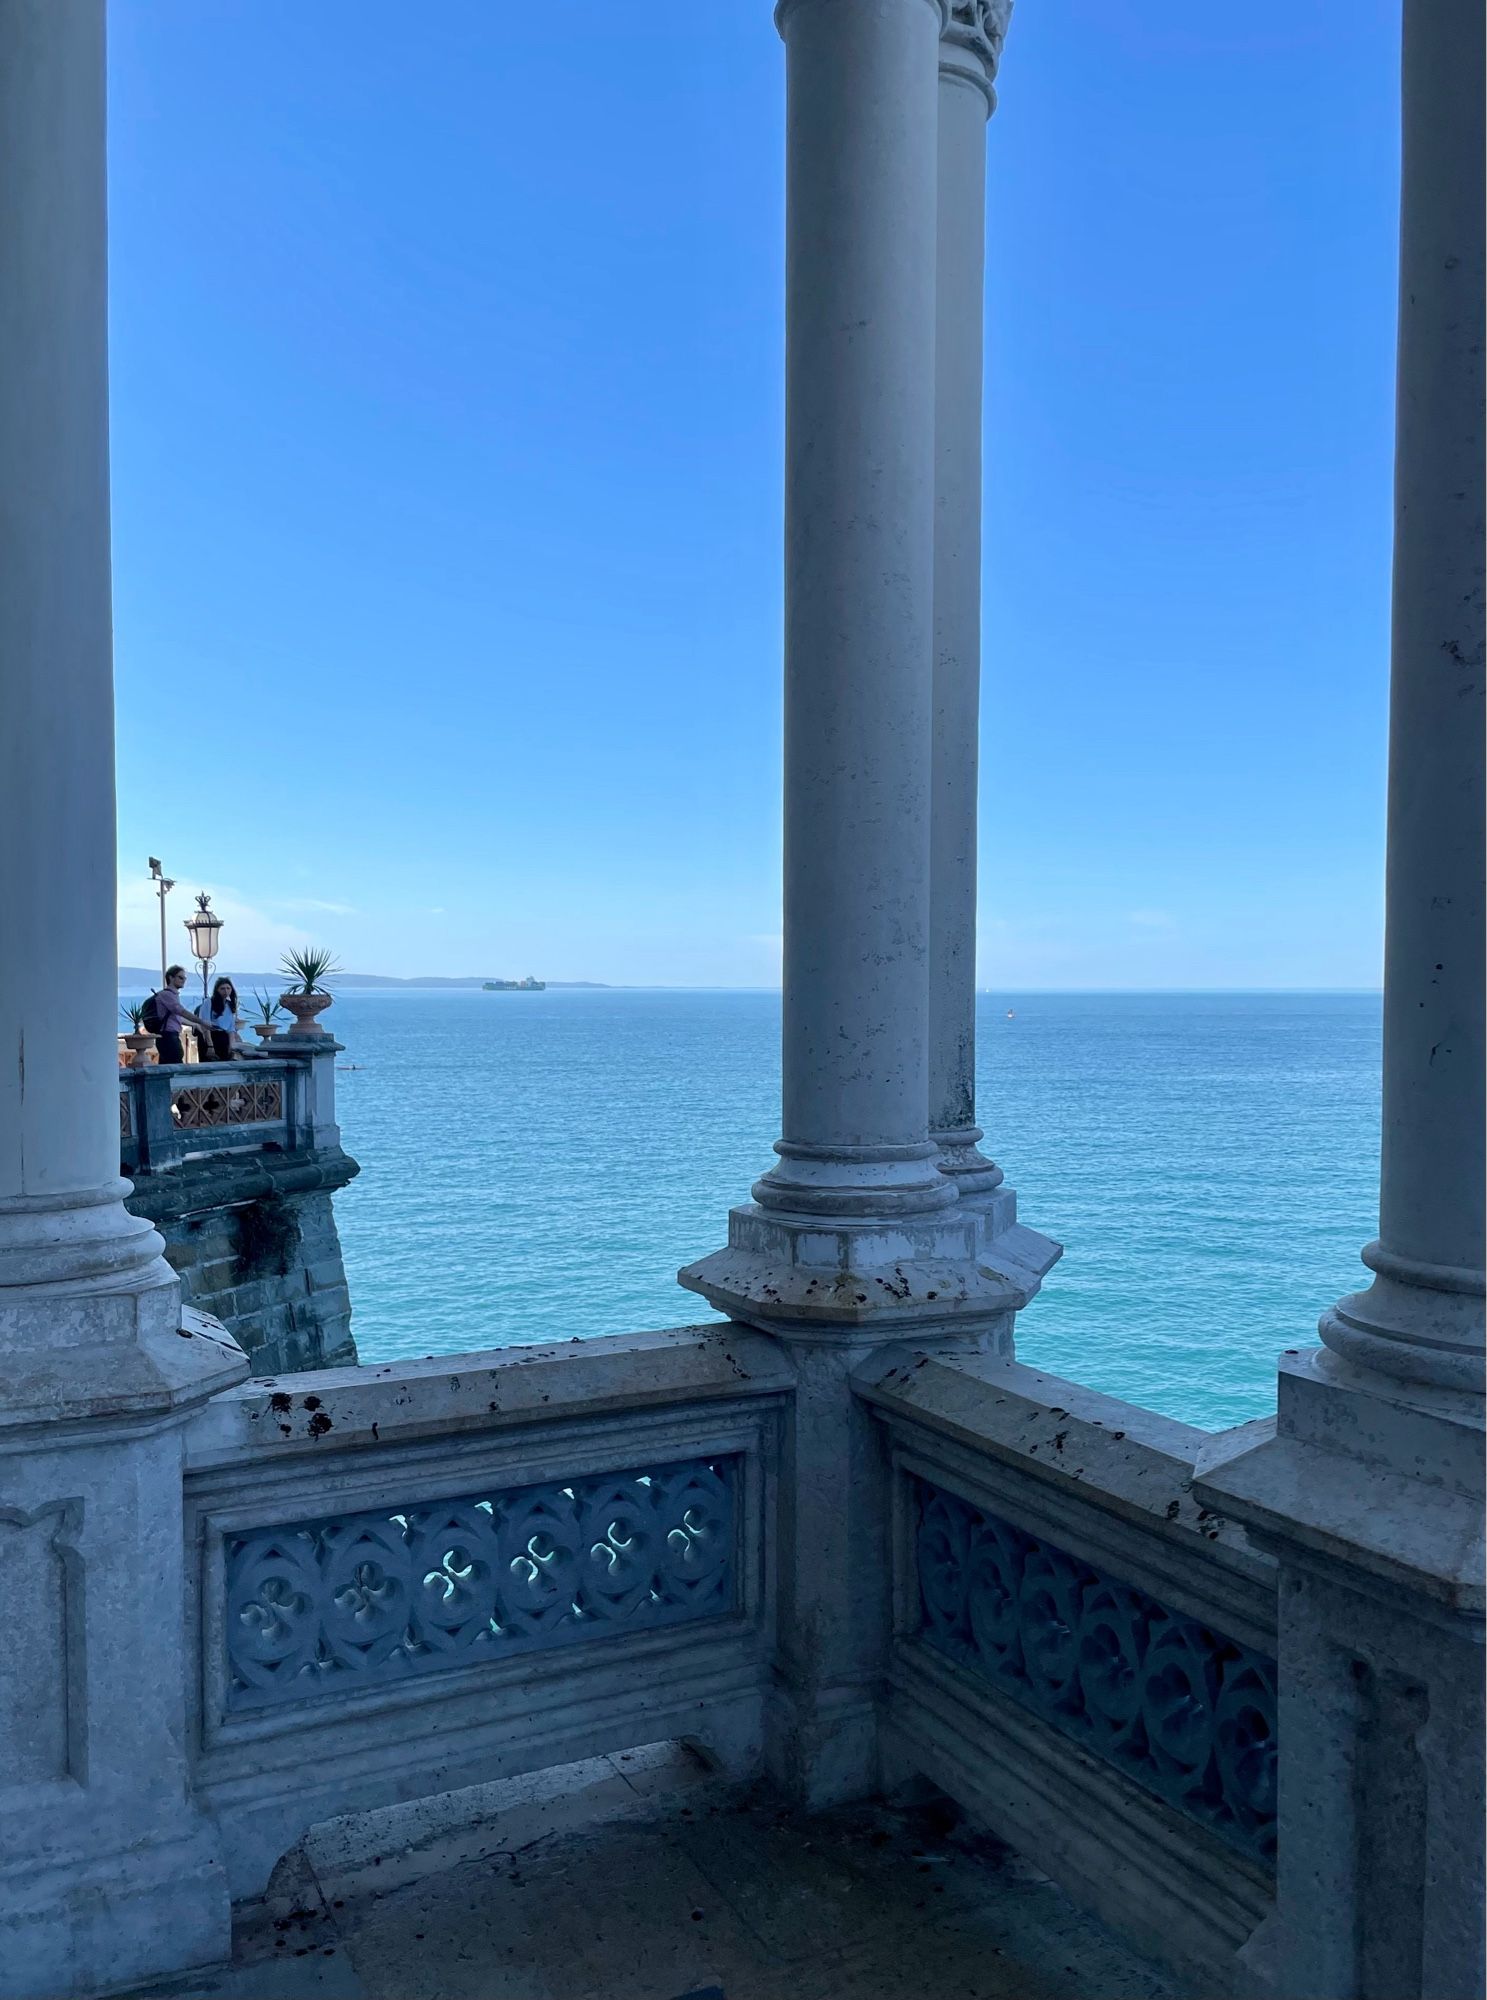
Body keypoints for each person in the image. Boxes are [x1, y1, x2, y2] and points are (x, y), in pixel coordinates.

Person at [145, 964, 202, 1064]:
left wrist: (194, 1024)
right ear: (171, 977)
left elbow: (177, 1017)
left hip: (169, 1036)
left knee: (168, 1066)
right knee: (175, 1066)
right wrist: (202, 1022)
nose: (183, 980)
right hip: (168, 1037)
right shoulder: (167, 995)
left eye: (184, 978)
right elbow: (182, 1011)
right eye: (180, 977)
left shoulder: (172, 995)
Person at [203, 975, 241, 1061]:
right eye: (222, 988)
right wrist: (210, 1045)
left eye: (228, 988)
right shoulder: (209, 1002)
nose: (226, 991)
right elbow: (205, 1024)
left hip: (224, 1038)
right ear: (217, 990)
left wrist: (231, 1046)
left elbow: (231, 1028)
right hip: (212, 1037)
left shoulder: (229, 1005)